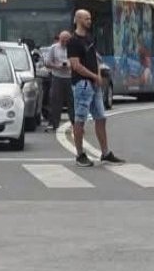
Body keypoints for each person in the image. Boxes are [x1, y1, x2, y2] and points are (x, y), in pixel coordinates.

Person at [66, 10, 124, 167]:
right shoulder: (73, 41)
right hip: (82, 84)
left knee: (101, 117)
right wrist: (93, 76)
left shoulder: (90, 38)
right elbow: (75, 65)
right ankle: (80, 154)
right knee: (80, 119)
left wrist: (98, 75)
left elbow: (95, 59)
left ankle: (105, 153)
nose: (89, 21)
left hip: (94, 83)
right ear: (78, 20)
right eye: (86, 19)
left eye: (90, 18)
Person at [42, 31, 72, 131]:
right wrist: (57, 66)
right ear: (59, 39)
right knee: (55, 101)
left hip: (70, 77)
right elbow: (47, 62)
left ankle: (75, 123)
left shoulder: (73, 48)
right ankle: (54, 123)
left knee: (72, 101)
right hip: (57, 77)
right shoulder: (54, 48)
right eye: (62, 40)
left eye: (66, 41)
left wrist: (70, 65)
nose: (64, 43)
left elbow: (79, 61)